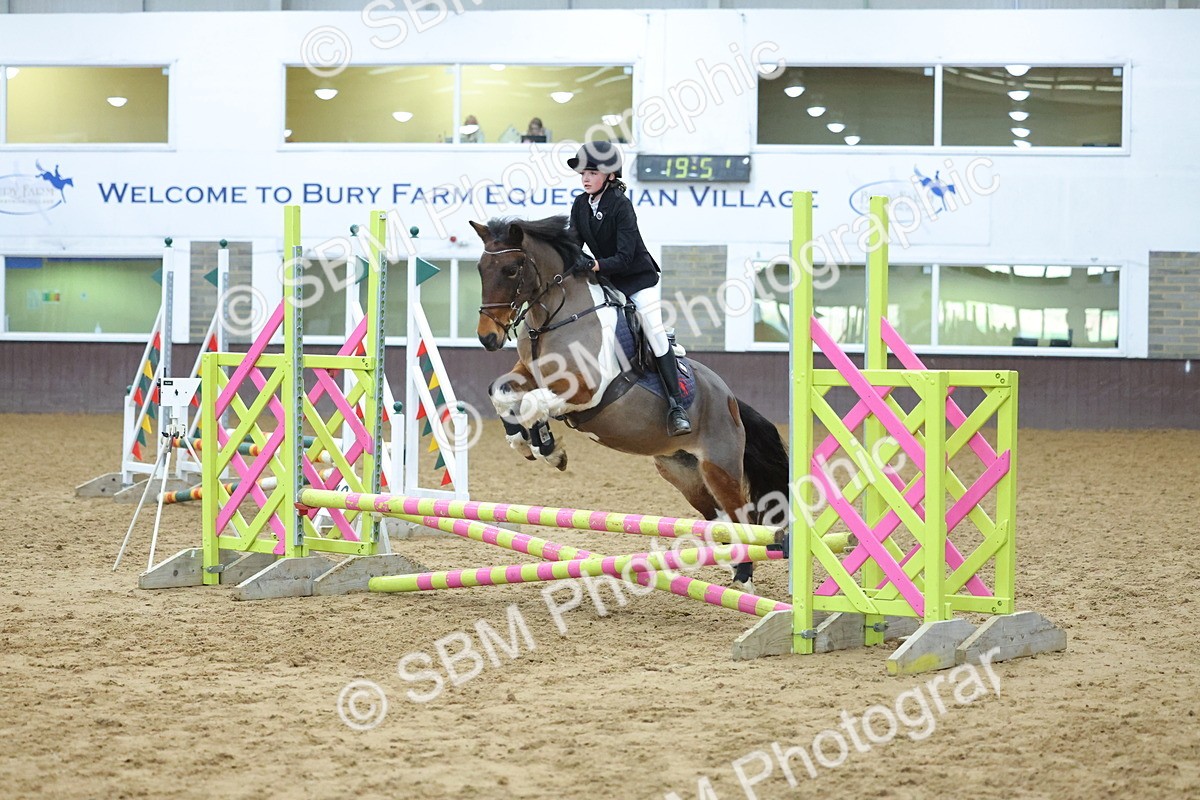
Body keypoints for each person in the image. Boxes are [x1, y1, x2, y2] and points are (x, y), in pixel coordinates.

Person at [567, 141, 691, 437]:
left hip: (636, 279)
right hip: (605, 281)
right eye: (583, 172)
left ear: (610, 175)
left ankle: (676, 406)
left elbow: (624, 257)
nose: (585, 178)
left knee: (653, 330)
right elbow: (573, 242)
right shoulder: (580, 204)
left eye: (592, 172)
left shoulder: (621, 205)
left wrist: (593, 265)